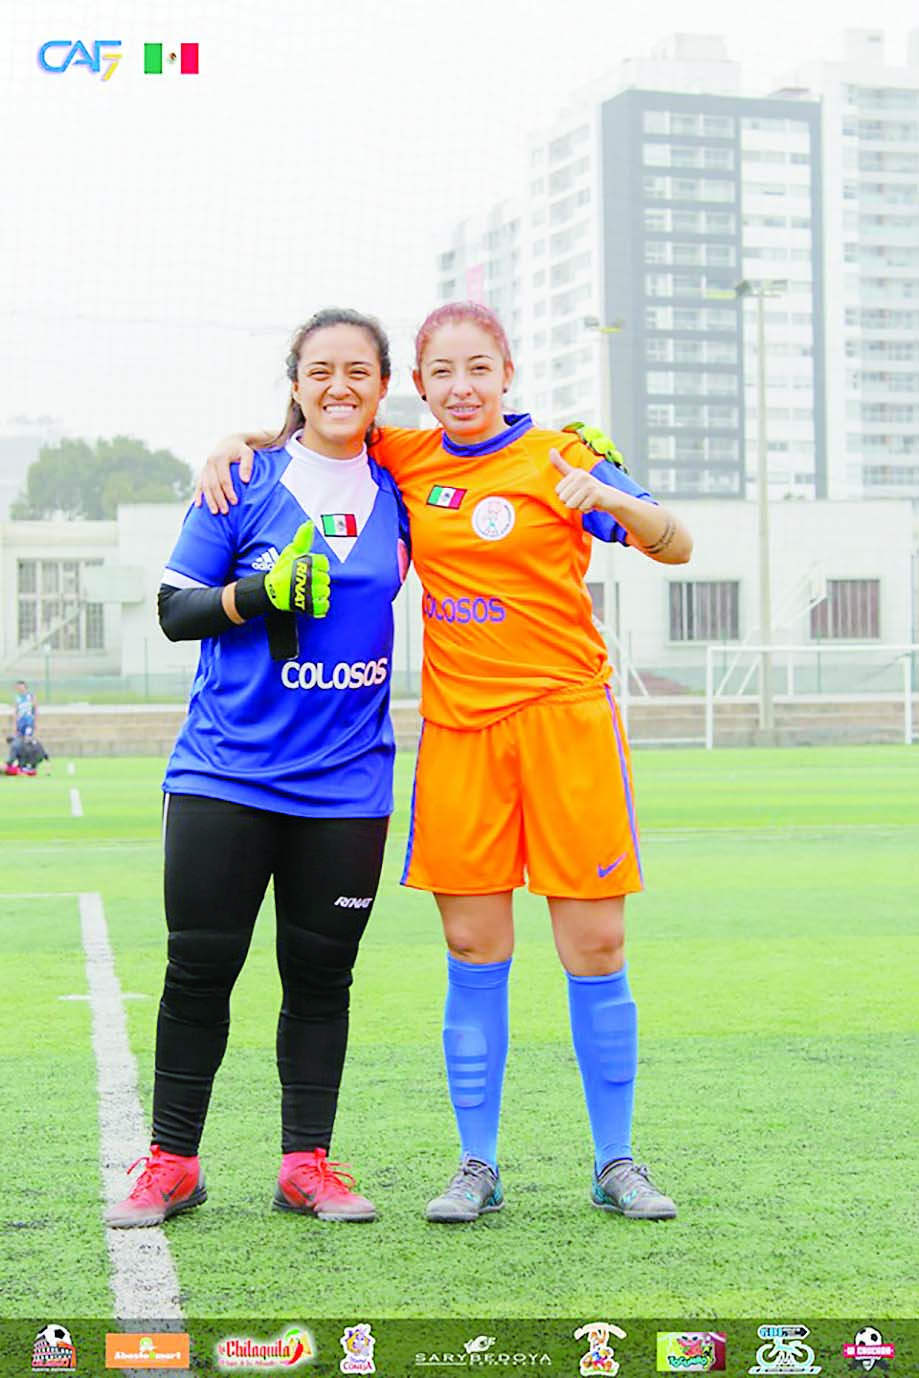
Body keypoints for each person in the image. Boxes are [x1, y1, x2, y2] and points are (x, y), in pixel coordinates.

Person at [197, 300, 693, 1224]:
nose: (461, 388)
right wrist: (235, 441)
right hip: (463, 736)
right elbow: (320, 426)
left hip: (565, 727)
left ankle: (616, 1159)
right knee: (473, 949)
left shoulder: (563, 456)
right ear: (417, 386)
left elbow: (675, 542)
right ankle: (477, 1165)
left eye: (478, 368)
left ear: (507, 373)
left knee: (596, 947)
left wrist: (615, 501)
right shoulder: (406, 457)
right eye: (442, 373)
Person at [106, 308, 410, 1230]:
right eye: (320, 371)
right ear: (293, 382)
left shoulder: (404, 481)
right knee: (199, 970)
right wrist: (255, 593)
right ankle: (172, 1163)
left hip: (347, 782)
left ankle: (305, 1165)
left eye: (358, 371)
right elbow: (173, 608)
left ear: (383, 385)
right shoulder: (242, 478)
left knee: (321, 980)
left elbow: (486, 442)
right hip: (224, 776)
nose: (339, 388)